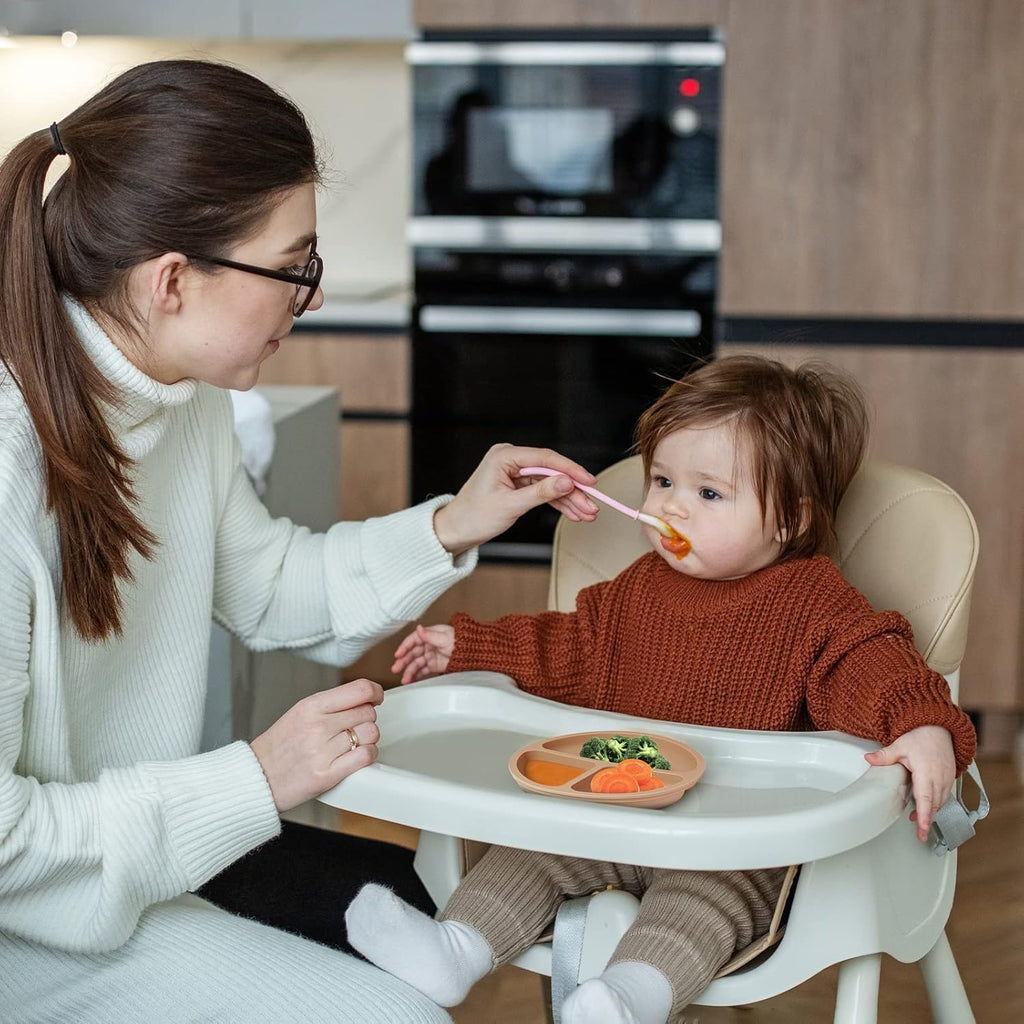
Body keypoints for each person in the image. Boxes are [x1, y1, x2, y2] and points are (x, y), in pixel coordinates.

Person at [0, 58, 601, 1024]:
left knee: (414, 915)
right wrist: (259, 778)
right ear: (171, 282)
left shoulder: (182, 402)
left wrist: (458, 520)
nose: (308, 297)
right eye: (293, 267)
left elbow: (271, 587)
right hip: (24, 925)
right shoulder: (7, 468)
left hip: (111, 881)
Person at [344, 355, 978, 1024]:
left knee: (701, 906)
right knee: (525, 855)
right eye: (663, 480)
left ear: (788, 520)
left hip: (730, 844)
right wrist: (468, 646)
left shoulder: (813, 604)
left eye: (708, 494)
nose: (671, 505)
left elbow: (873, 665)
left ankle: (627, 999)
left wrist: (922, 724)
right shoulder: (639, 588)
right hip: (609, 814)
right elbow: (567, 648)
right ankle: (455, 949)